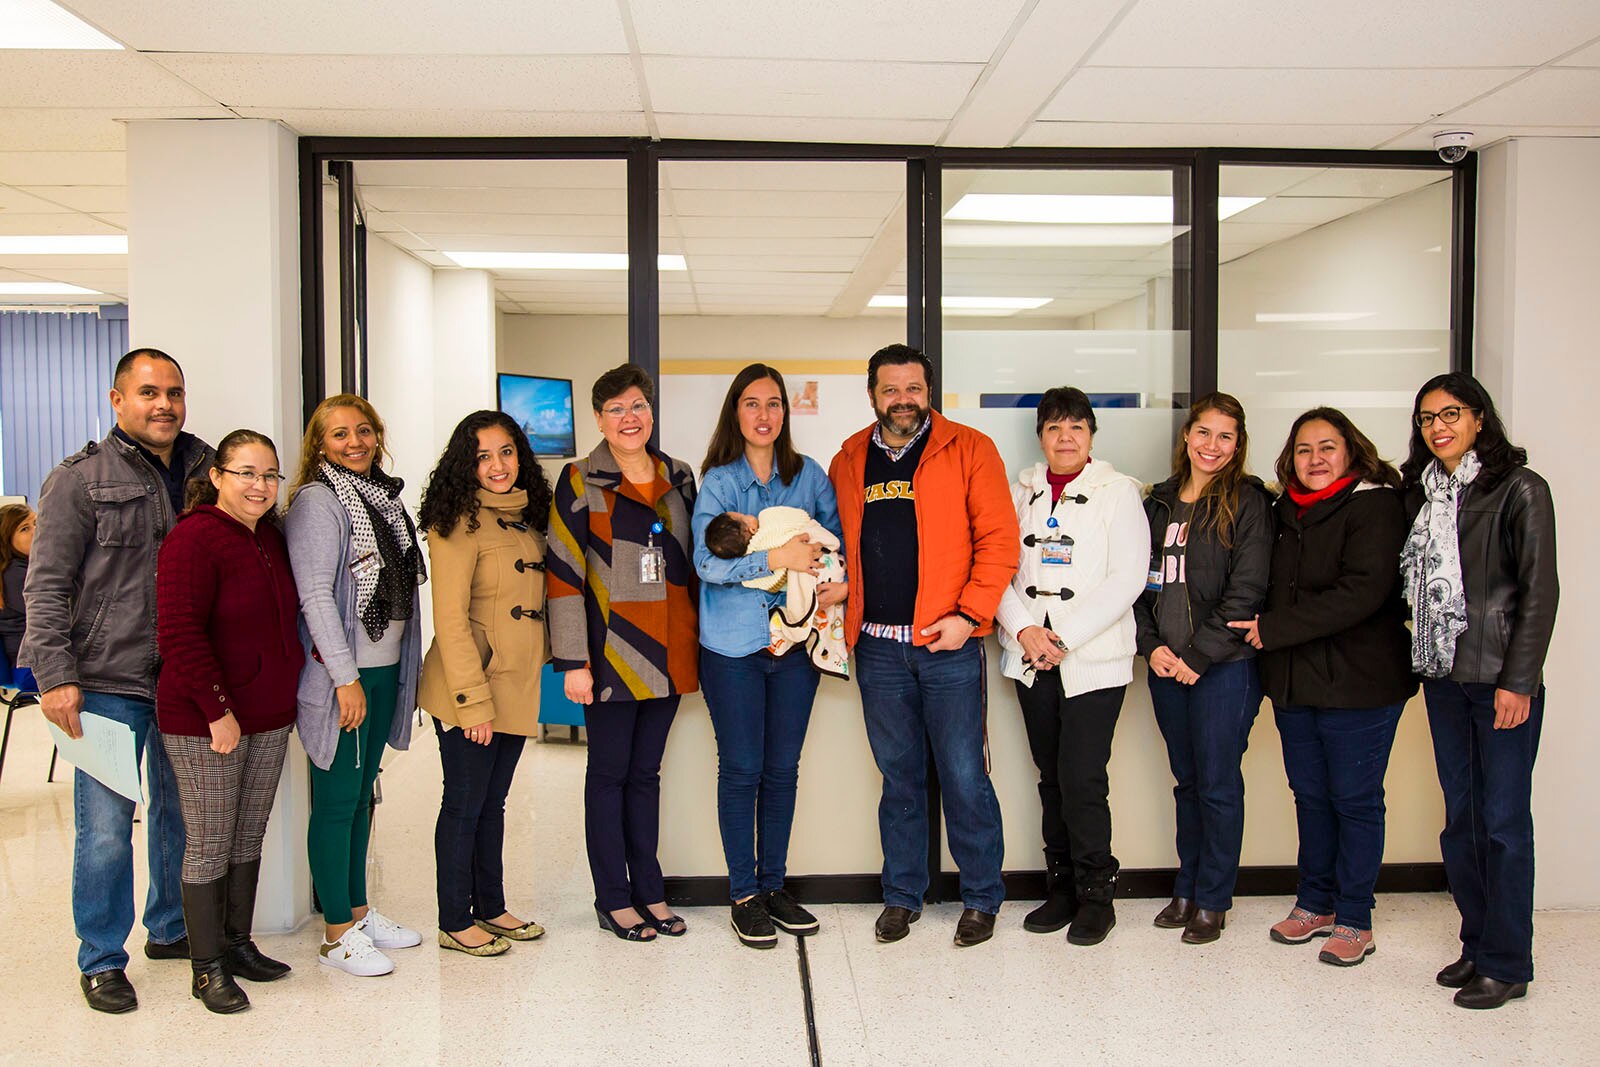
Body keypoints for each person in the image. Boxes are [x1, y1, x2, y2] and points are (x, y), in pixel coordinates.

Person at [19, 348, 212, 1013]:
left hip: (183, 678)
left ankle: (170, 927)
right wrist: (55, 674)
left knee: (180, 813)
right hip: (103, 678)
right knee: (104, 827)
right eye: (150, 392)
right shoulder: (78, 479)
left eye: (175, 393)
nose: (165, 404)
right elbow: (45, 587)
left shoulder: (206, 468)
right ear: (117, 399)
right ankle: (101, 957)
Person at [828, 343, 1019, 949]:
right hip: (878, 650)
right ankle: (903, 895)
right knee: (900, 777)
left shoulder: (969, 449)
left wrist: (970, 615)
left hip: (949, 644)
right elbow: (835, 543)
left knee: (964, 774)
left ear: (928, 393)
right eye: (891, 390)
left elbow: (998, 542)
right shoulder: (849, 458)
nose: (903, 400)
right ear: (873, 395)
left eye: (913, 389)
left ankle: (982, 897)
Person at [1228, 408, 1415, 967]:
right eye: (1305, 449)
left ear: (1351, 452)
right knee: (1309, 795)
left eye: (1327, 448)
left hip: (1360, 682)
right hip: (1294, 680)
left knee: (1354, 801)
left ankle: (1356, 916)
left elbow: (1363, 591)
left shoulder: (1375, 505)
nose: (1315, 459)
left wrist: (1273, 629)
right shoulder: (1284, 508)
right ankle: (1316, 902)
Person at [1399, 372, 1557, 1010]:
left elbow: (1538, 593)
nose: (1438, 427)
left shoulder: (1521, 488)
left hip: (1500, 682)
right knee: (1461, 823)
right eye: (1427, 418)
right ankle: (1477, 942)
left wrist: (1519, 681)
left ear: (1479, 419)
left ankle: (1508, 961)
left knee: (1503, 823)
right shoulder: (1425, 493)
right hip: (1444, 677)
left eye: (1451, 414)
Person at [692, 364, 845, 949]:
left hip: (796, 647)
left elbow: (837, 548)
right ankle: (744, 893)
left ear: (786, 412)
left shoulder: (808, 477)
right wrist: (776, 557)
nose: (764, 415)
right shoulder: (720, 483)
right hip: (733, 649)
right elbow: (707, 565)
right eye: (752, 403)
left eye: (774, 403)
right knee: (743, 770)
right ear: (736, 412)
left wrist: (841, 581)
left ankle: (776, 885)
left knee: (783, 771)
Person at [547, 364, 698, 943]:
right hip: (608, 652)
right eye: (615, 410)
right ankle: (614, 899)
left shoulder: (678, 475)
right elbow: (562, 573)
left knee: (646, 775)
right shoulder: (580, 478)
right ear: (598, 419)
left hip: (670, 648)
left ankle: (650, 892)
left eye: (637, 406)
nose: (628, 418)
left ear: (650, 412)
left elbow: (697, 557)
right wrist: (573, 662)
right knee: (608, 776)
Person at [994, 387, 1148, 947]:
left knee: (1083, 779)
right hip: (1032, 657)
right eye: (1055, 428)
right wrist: (1027, 631)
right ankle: (1059, 888)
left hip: (1094, 661)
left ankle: (1095, 895)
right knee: (1051, 779)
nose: (1065, 438)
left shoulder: (1117, 493)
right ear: (1041, 435)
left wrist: (1062, 636)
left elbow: (1127, 578)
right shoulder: (1019, 492)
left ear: (1091, 436)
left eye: (1077, 428)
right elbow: (998, 569)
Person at [156, 430, 303, 1013]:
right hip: (204, 720)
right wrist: (217, 710)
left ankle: (239, 945)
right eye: (246, 473)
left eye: (269, 475)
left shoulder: (269, 536)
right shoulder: (193, 538)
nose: (259, 486)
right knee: (210, 838)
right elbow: (179, 633)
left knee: (247, 831)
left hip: (269, 714)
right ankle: (207, 965)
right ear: (217, 475)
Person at [285, 394, 426, 977]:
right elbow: (316, 595)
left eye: (363, 431)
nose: (355, 443)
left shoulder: (383, 500)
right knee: (338, 798)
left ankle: (360, 912)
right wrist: (345, 679)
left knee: (363, 794)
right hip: (345, 675)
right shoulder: (318, 502)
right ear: (320, 445)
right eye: (339, 434)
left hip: (384, 667)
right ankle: (336, 933)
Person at [1133, 391, 1271, 946]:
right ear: (1187, 437)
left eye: (1226, 436)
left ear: (1238, 445)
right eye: (1204, 433)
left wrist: (1197, 655)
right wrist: (1152, 647)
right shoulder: (1159, 502)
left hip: (1224, 669)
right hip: (1167, 668)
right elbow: (1136, 583)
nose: (1212, 446)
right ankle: (1185, 888)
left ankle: (1213, 899)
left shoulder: (1248, 502)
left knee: (1216, 784)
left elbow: (1247, 592)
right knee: (1187, 783)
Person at [417, 411, 553, 957]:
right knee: (465, 802)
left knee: (492, 803)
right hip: (468, 689)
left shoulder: (526, 515)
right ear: (464, 465)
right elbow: (449, 620)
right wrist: (471, 704)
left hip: (515, 684)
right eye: (482, 456)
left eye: (506, 452)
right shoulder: (457, 521)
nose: (497, 466)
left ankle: (491, 907)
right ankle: (455, 919)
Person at [702, 505, 848, 678]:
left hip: (822, 562)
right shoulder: (766, 521)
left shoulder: (759, 545)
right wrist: (785, 557)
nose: (750, 513)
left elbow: (768, 582)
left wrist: (846, 587)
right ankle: (812, 637)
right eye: (743, 515)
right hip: (822, 568)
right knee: (804, 598)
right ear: (752, 528)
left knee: (802, 603)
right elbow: (706, 566)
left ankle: (797, 628)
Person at [0, 504, 37, 695]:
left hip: (32, 663)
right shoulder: (15, 574)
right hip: (29, 667)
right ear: (6, 540)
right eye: (25, 528)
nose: (36, 530)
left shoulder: (25, 568)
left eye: (37, 523)